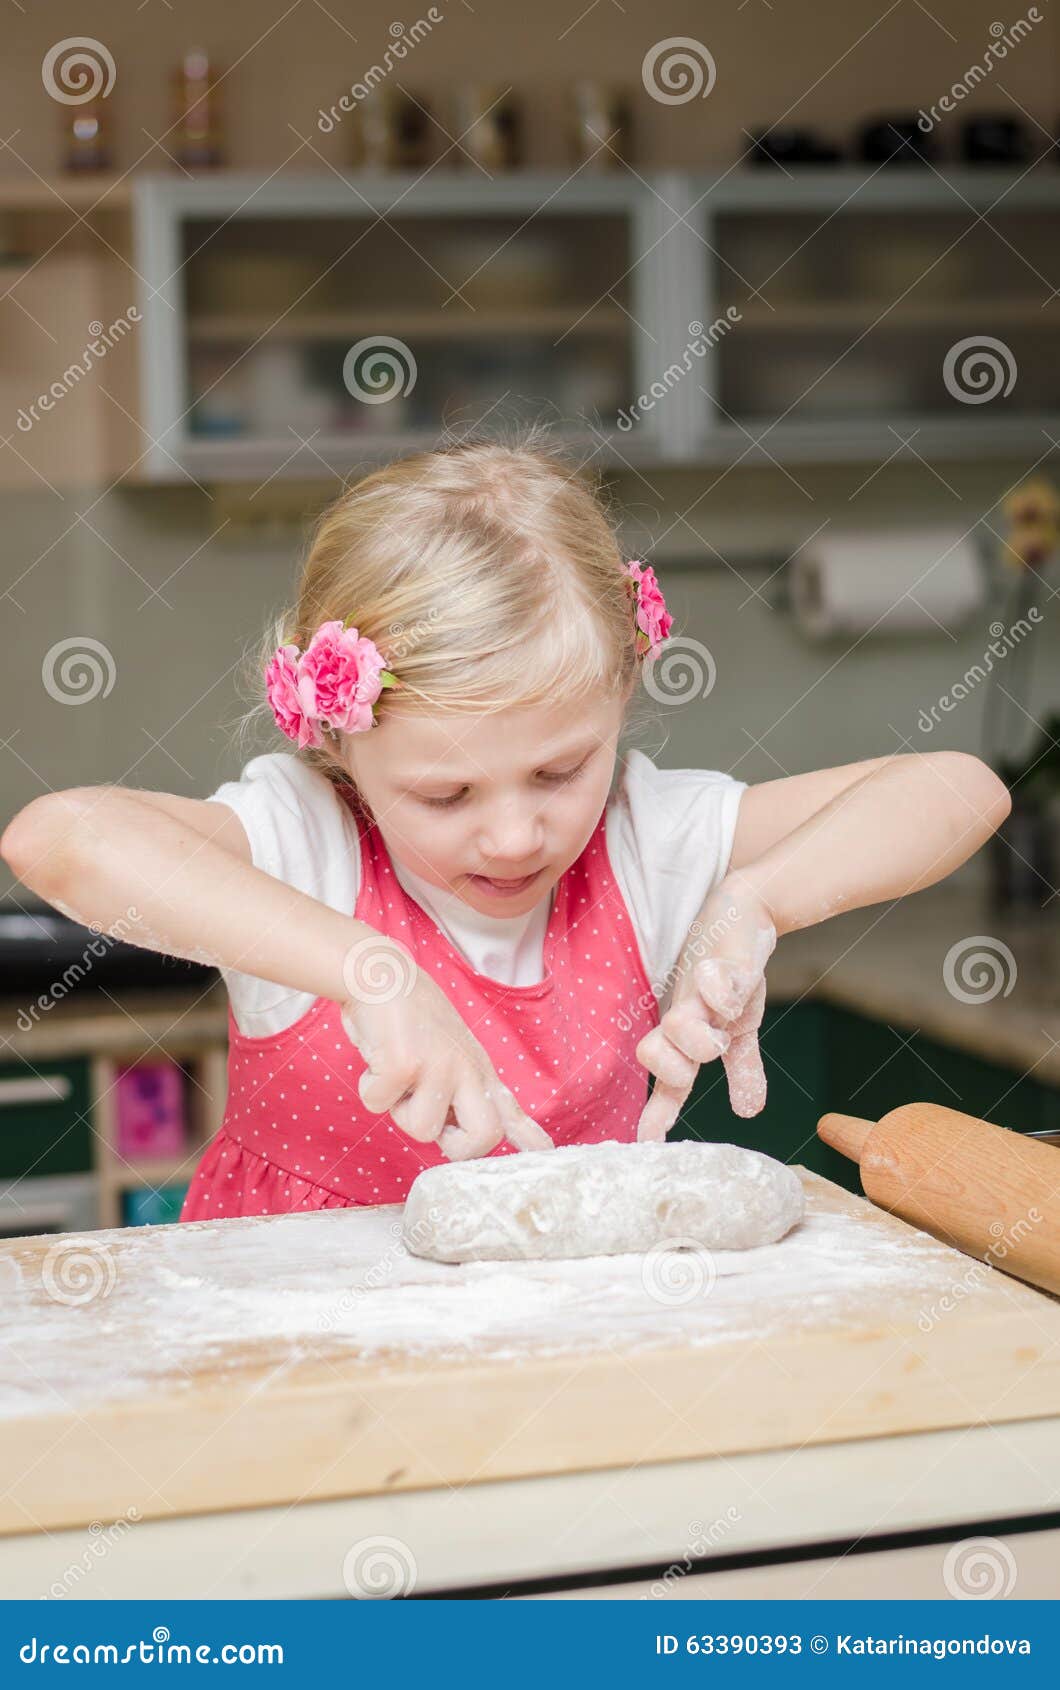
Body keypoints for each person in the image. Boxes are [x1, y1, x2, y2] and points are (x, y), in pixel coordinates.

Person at [0, 433, 1011, 1221]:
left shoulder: (644, 836)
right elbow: (59, 838)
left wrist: (754, 900)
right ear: (339, 748)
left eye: (560, 770)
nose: (516, 835)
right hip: (294, 1358)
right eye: (447, 797)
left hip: (553, 1353)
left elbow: (959, 788)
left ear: (623, 692)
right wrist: (369, 967)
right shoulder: (305, 836)